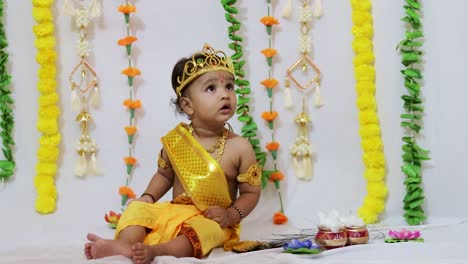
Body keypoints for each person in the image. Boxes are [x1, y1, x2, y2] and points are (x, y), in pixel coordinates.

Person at [84, 43, 262, 264]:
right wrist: (148, 198)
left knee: (202, 230)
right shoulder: (176, 140)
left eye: (229, 86)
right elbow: (165, 175)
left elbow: (251, 193)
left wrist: (230, 215)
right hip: (173, 210)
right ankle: (126, 244)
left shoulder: (240, 147)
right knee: (138, 209)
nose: (225, 95)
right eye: (211, 88)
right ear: (188, 106)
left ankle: (158, 251)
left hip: (214, 220)